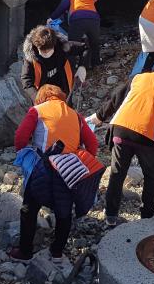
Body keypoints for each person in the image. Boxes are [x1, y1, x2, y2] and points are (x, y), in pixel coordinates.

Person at [89, 59, 154, 227]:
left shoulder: (139, 78)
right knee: (150, 177)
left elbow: (116, 97)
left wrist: (100, 116)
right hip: (147, 137)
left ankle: (110, 215)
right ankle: (146, 215)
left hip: (121, 130)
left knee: (117, 174)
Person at [10, 85, 103, 263]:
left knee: (29, 208)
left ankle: (25, 251)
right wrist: (80, 159)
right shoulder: (75, 115)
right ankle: (57, 252)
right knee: (63, 210)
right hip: (68, 170)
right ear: (60, 98)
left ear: (41, 97)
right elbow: (92, 144)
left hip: (44, 166)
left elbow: (20, 136)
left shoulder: (36, 110)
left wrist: (23, 154)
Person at [20, 25, 87, 102]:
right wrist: (38, 98)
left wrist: (82, 67)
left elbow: (85, 48)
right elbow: (26, 81)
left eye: (49, 50)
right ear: (36, 47)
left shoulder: (63, 47)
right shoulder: (31, 57)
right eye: (42, 51)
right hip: (42, 96)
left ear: (54, 45)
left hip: (64, 93)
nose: (46, 53)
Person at [50, 0, 101, 67]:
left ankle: (71, 67)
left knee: (72, 45)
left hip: (78, 19)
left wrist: (52, 18)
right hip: (94, 20)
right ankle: (95, 65)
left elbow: (62, 7)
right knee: (94, 44)